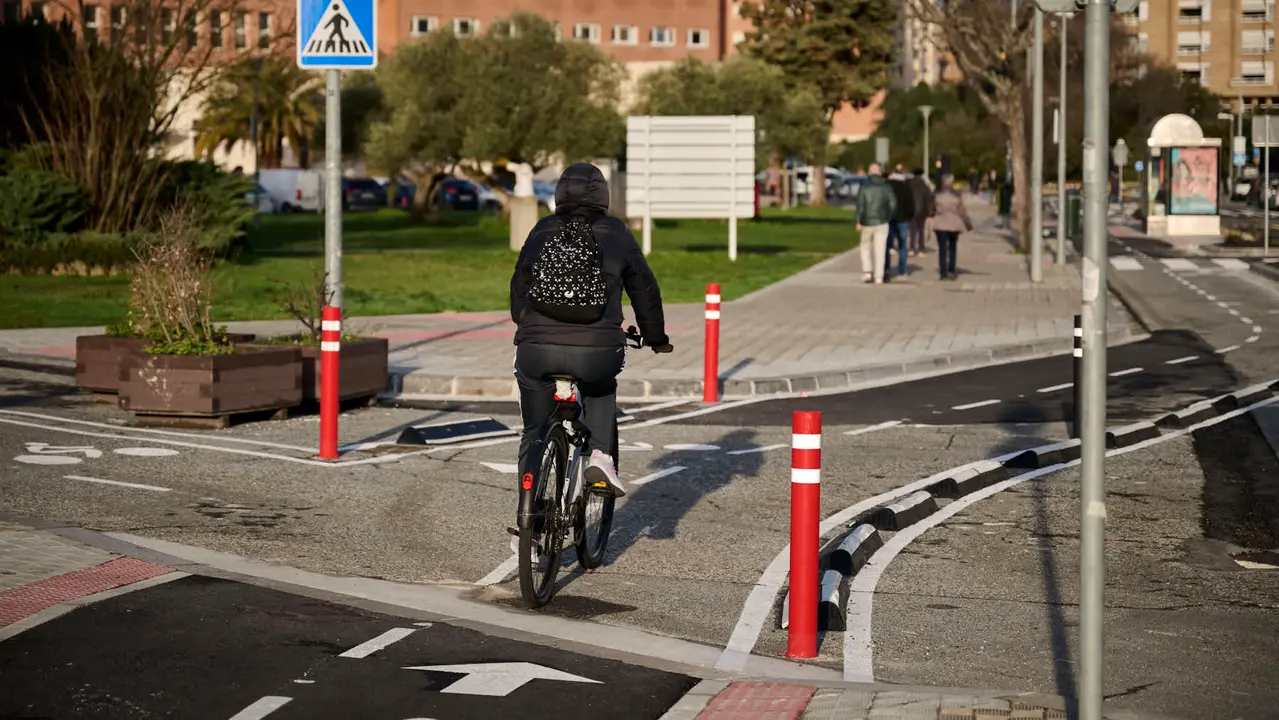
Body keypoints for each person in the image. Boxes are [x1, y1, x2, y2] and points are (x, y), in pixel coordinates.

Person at [510, 162, 673, 497]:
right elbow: (644, 289)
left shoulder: (542, 229)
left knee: (534, 429)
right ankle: (599, 455)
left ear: (559, 194)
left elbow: (519, 287)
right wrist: (655, 337)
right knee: (600, 386)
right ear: (603, 196)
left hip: (537, 349)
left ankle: (528, 505)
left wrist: (526, 324)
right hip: (598, 350)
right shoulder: (617, 232)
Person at [856, 162, 896, 285]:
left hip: (867, 221)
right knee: (880, 249)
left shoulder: (864, 187)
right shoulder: (886, 187)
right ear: (880, 173)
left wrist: (858, 221)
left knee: (865, 246)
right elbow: (893, 204)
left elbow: (860, 206)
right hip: (882, 222)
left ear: (869, 173)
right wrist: (887, 216)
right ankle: (879, 276)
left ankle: (867, 272)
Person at [932, 173, 973, 281]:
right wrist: (968, 224)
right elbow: (962, 212)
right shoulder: (956, 196)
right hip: (954, 224)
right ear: (952, 183)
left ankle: (943, 273)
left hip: (940, 224)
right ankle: (951, 270)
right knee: (952, 247)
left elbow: (932, 209)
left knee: (942, 249)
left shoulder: (937, 195)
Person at [885, 168, 914, 280]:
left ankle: (886, 267)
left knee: (887, 244)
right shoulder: (906, 186)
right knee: (902, 245)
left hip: (889, 218)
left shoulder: (887, 185)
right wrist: (910, 216)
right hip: (903, 218)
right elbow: (910, 203)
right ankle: (902, 270)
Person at [908, 168, 935, 256]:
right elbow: (930, 198)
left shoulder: (908, 184)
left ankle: (911, 248)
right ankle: (921, 248)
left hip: (911, 210)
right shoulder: (924, 185)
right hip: (922, 210)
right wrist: (931, 212)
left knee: (912, 230)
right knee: (921, 229)